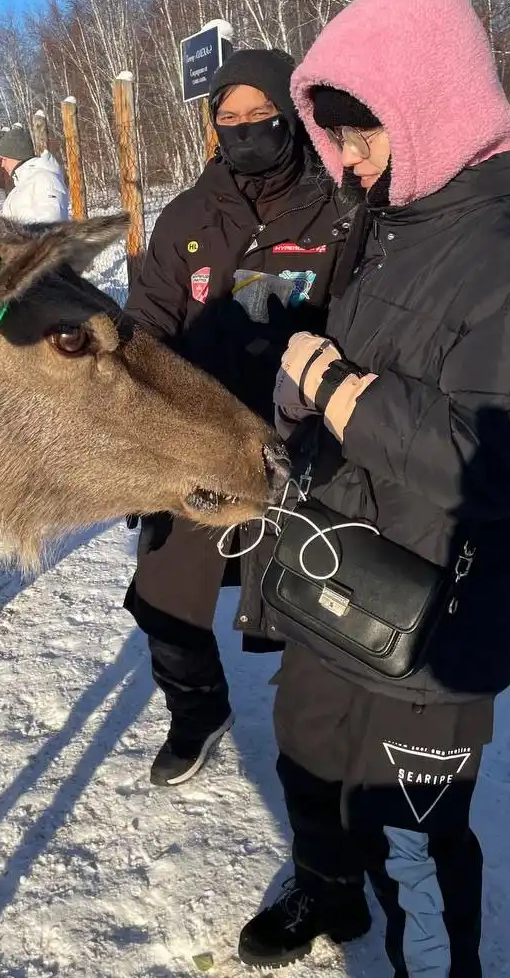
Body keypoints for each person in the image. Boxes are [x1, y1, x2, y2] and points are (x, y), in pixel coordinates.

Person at [235, 0, 510, 975]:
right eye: (335, 134)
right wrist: (303, 391)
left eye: (362, 132)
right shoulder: (388, 226)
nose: (342, 161)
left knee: (414, 837)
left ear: (428, 109)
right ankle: (325, 889)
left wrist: (343, 391)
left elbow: (502, 457)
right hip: (335, 581)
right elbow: (356, 371)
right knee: (305, 766)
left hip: (434, 621)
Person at [124, 48, 353, 786]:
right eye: (230, 119)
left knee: (311, 614)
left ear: (294, 116)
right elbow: (150, 317)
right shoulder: (190, 214)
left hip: (304, 443)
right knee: (163, 598)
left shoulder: (340, 210)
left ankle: (318, 754)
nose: (246, 131)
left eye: (262, 117)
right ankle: (197, 711)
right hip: (197, 441)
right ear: (212, 127)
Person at [0, 123, 70, 223]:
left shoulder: (45, 179)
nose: (2, 165)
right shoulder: (24, 183)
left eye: (4, 159)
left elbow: (51, 227)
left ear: (16, 155)